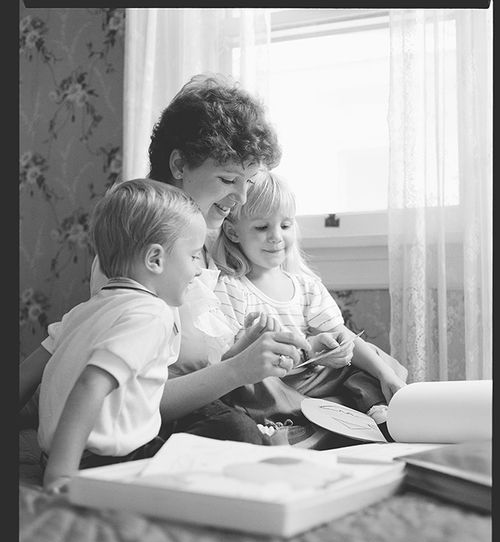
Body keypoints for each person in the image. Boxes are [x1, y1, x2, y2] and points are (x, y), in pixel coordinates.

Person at [19, 74, 311, 445]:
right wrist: (237, 370)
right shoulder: (141, 257)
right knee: (239, 432)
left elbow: (192, 367)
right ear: (179, 165)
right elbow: (137, 400)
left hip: (186, 401)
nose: (240, 198)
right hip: (139, 413)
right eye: (227, 179)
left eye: (248, 183)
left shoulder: (206, 236)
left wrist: (238, 356)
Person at [211, 170, 407, 441]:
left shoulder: (306, 286)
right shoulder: (232, 287)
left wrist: (381, 372)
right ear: (233, 232)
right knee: (255, 387)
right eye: (261, 227)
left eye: (285, 225)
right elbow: (228, 360)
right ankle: (295, 424)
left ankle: (379, 409)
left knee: (369, 355)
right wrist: (262, 342)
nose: (276, 236)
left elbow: (341, 334)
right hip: (275, 382)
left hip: (315, 376)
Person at [38, 179, 206, 492]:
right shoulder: (151, 314)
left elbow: (24, 376)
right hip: (103, 462)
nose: (198, 270)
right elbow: (91, 384)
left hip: (57, 454)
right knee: (212, 453)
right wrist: (61, 474)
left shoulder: (84, 311)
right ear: (155, 259)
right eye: (194, 256)